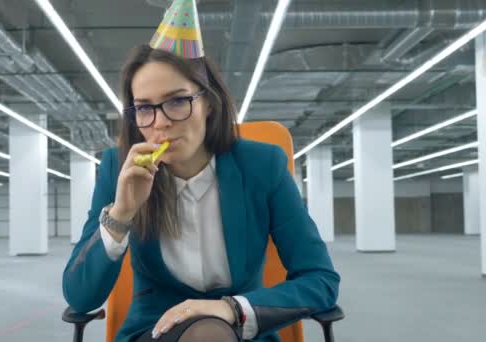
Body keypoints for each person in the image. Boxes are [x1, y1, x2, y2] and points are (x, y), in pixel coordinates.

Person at [62, 1, 340, 341]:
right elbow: (79, 296)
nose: (161, 122)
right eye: (145, 108)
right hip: (155, 330)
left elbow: (321, 280)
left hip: (241, 331)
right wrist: (122, 213)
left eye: (177, 101)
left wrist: (231, 308)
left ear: (208, 102)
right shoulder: (119, 170)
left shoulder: (263, 166)